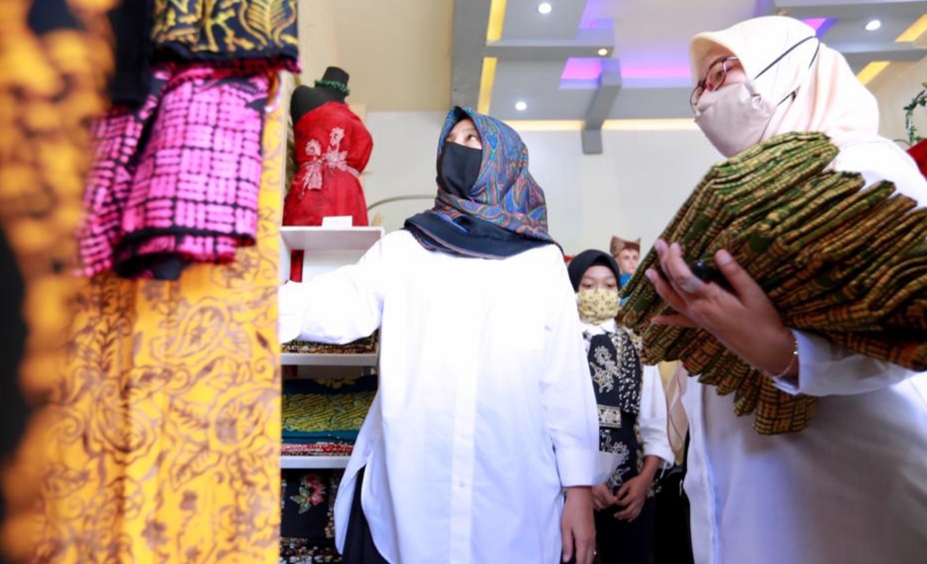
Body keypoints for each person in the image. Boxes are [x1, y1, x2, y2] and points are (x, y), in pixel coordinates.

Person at [644, 16, 927, 564]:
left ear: (793, 70)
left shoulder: (862, 167)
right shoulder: (739, 200)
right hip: (754, 512)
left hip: (855, 498)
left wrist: (786, 353)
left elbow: (909, 324)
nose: (707, 97)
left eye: (722, 71)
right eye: (699, 85)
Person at [279, 106, 615, 564]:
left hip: (513, 490)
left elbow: (564, 383)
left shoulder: (540, 264)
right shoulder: (404, 248)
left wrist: (578, 491)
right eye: (451, 140)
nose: (459, 147)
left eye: (473, 140)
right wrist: (253, 304)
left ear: (504, 159)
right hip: (412, 488)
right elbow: (341, 306)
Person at [566, 250, 673, 564]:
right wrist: (582, 482)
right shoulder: (560, 347)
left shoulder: (639, 346)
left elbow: (656, 425)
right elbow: (548, 425)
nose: (600, 293)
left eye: (609, 285)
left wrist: (644, 482)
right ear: (572, 290)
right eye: (588, 285)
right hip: (571, 494)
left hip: (631, 494)